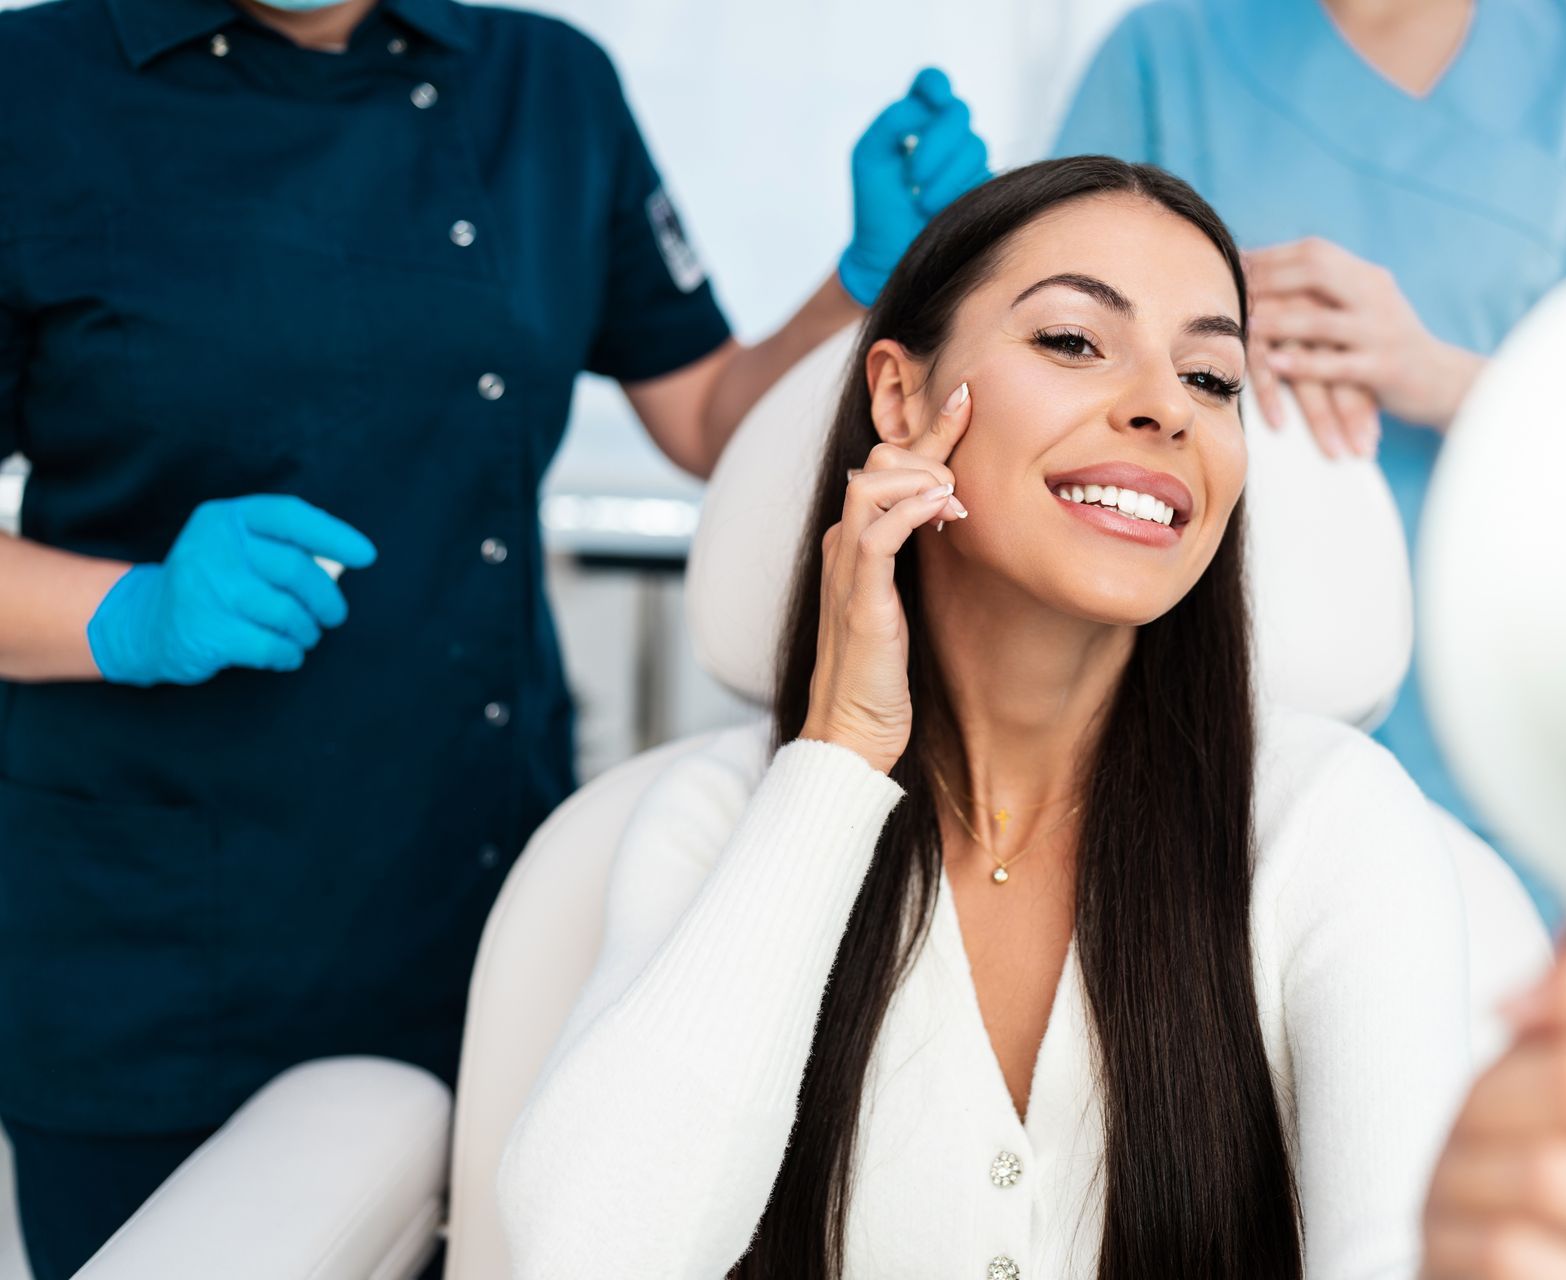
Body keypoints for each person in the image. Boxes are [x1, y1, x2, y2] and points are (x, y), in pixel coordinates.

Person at [497, 157, 1566, 1278]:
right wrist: (835, 760)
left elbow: (1393, 1246)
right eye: (1076, 342)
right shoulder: (722, 817)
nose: (1167, 407)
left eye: (1212, 375)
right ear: (898, 394)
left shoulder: (1327, 824)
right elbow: (591, 1252)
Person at [0, 0, 988, 1270]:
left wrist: (864, 283)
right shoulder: (34, 88)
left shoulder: (546, 85)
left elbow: (705, 414)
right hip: (154, 948)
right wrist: (123, 613)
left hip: (476, 888)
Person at [1052, 0, 1566, 921]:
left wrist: (1437, 375)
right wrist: (1192, 329)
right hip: (1187, 703)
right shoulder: (1168, 49)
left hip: (1492, 721)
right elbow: (1042, 343)